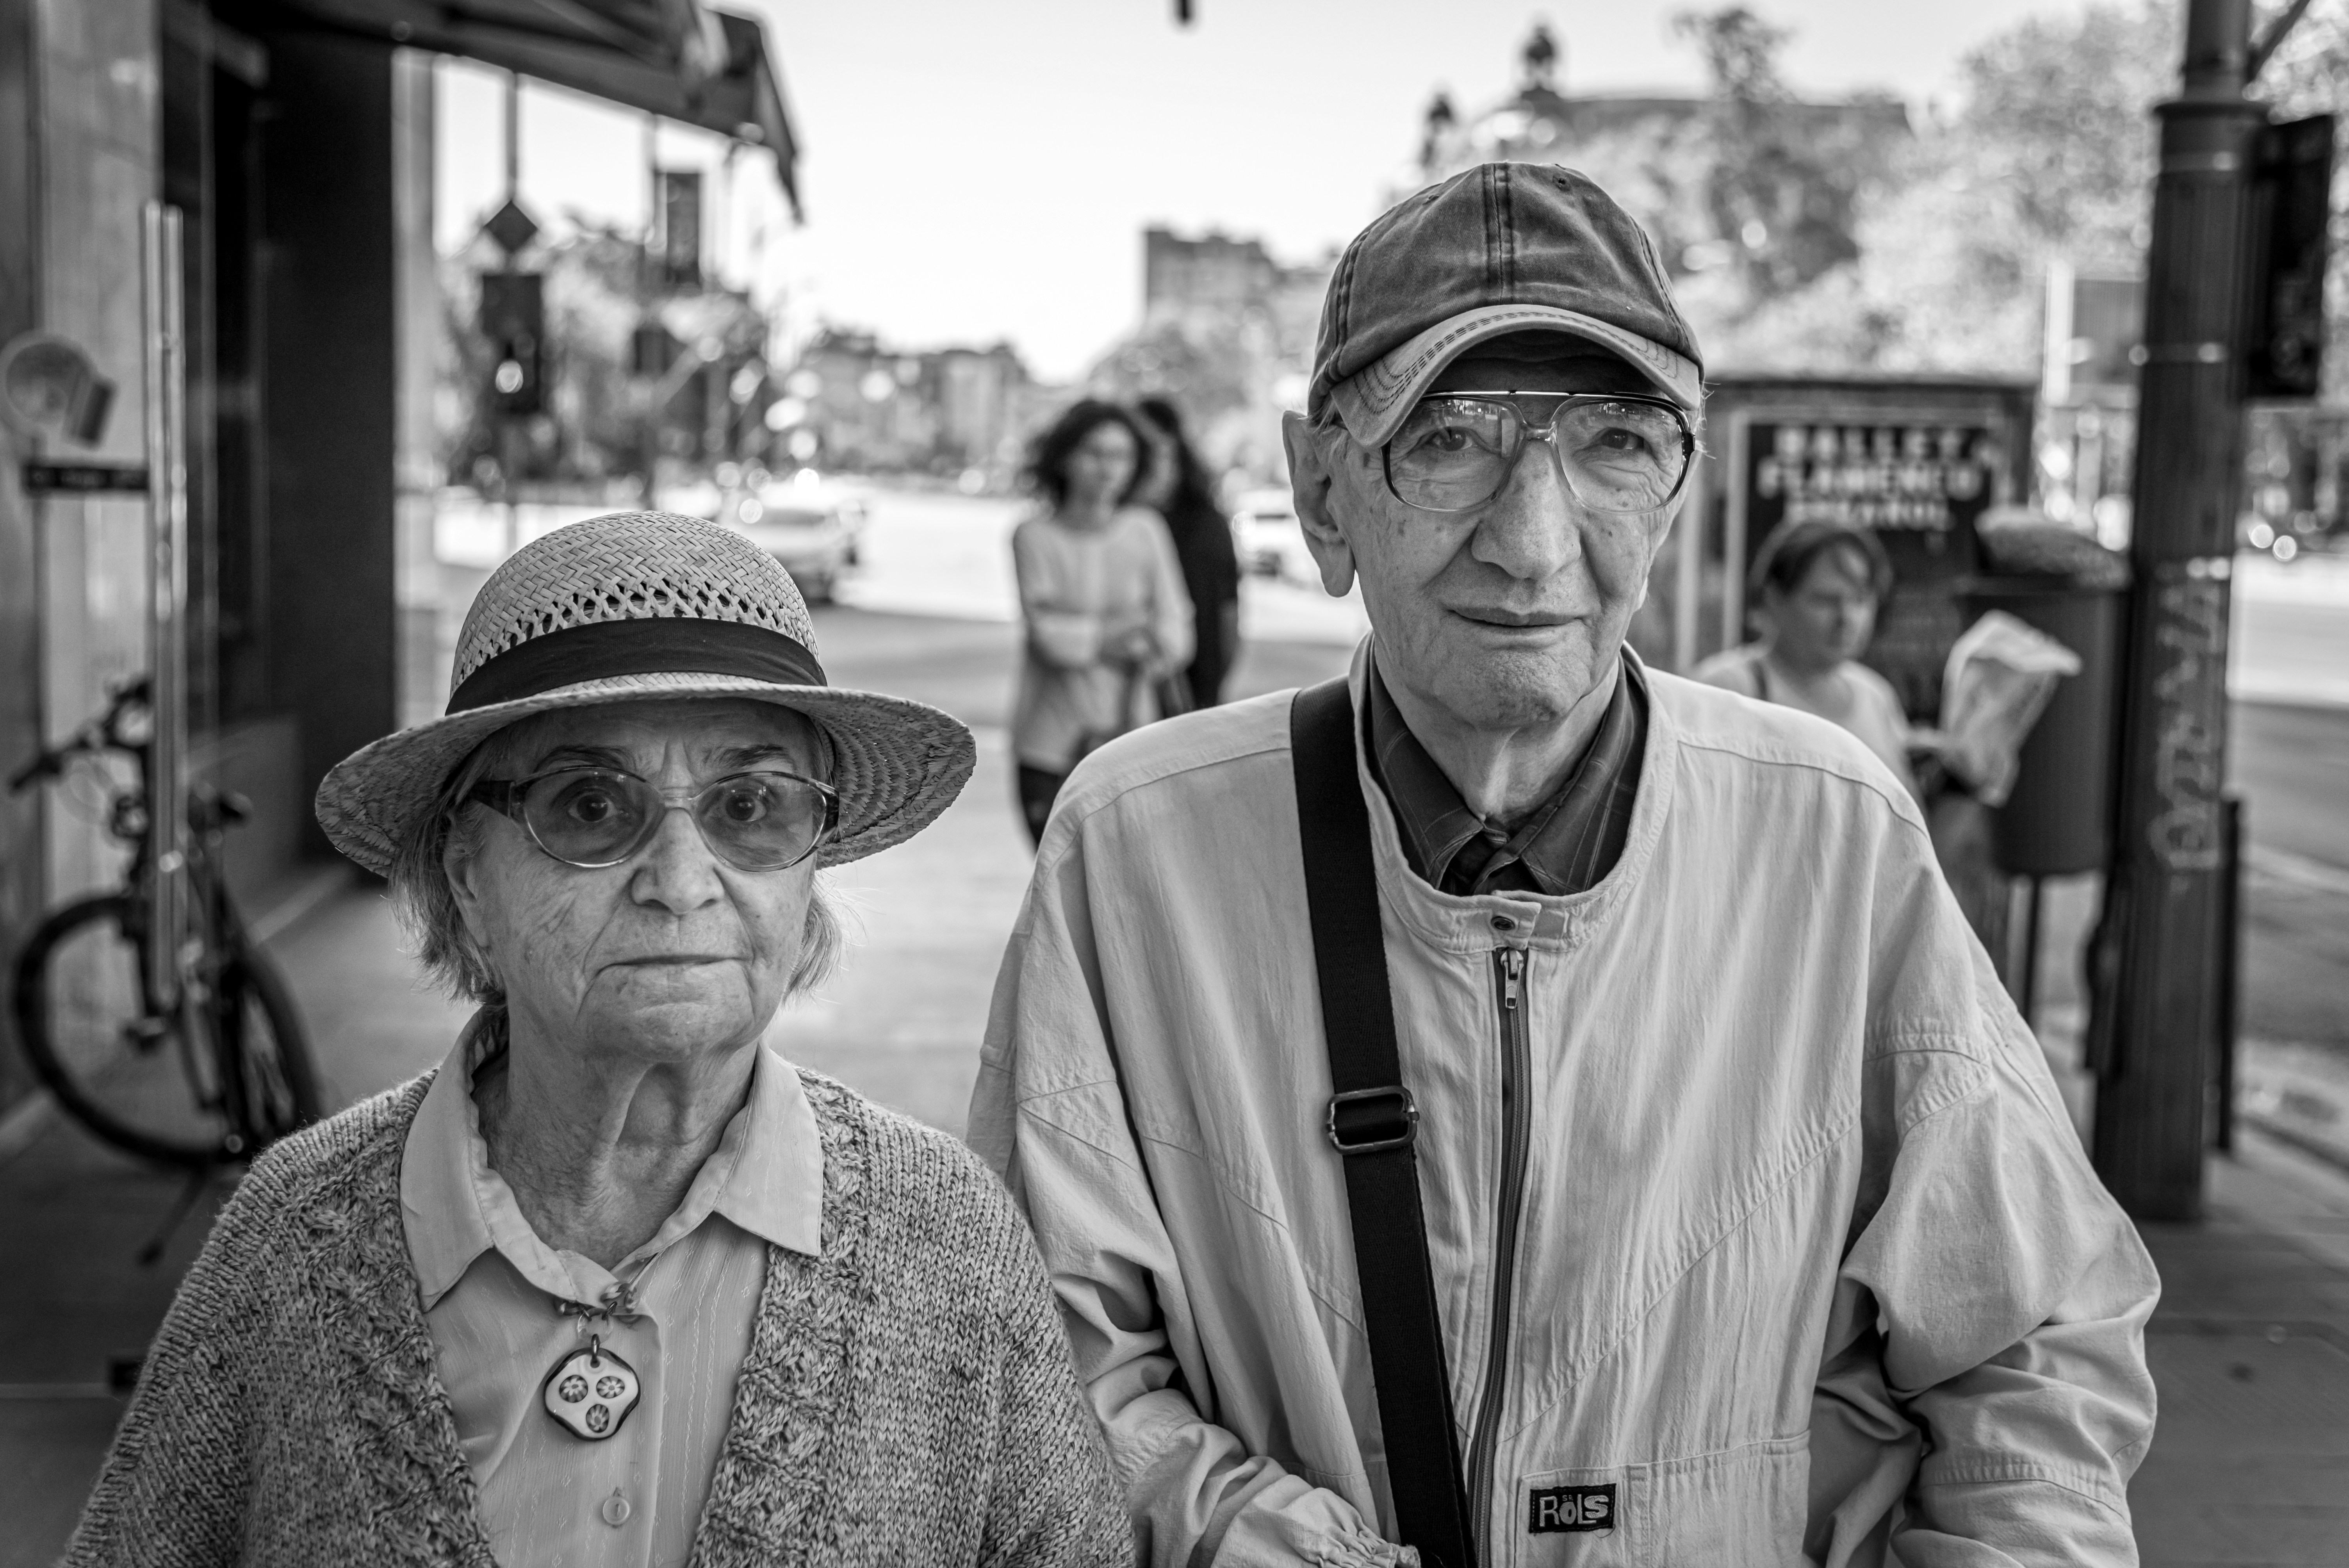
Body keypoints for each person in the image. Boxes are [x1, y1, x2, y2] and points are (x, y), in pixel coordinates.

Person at [970, 165, 2156, 1567]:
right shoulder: (1136, 846)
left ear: (1672, 492)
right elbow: (1041, 1361)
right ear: (1320, 490)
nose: (1535, 546)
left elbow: (2024, 1346)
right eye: (1449, 441)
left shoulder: (1830, 829)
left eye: (1611, 444)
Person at [66, 512, 1131, 1566]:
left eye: (751, 805)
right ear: (466, 876)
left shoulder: (950, 1241)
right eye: (587, 806)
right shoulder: (290, 1241)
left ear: (811, 866)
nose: (679, 883)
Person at [1011, 399, 1193, 847]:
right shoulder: (1033, 535)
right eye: (1094, 452)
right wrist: (1124, 633)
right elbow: (1047, 638)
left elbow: (1177, 634)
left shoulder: (1146, 530)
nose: (1108, 468)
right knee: (1055, 878)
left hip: (1133, 740)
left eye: (1121, 456)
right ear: (1065, 456)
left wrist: (1088, 635)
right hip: (1048, 742)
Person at [1693, 517, 1917, 795]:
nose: (1846, 618)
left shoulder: (1876, 696)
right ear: (1774, 599)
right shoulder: (1729, 688)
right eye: (1826, 600)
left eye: (1859, 600)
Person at [1135, 396, 1243, 708]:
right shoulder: (1121, 525)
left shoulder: (1207, 526)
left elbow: (1228, 616)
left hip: (1190, 694)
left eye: (1157, 453)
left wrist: (1207, 696)